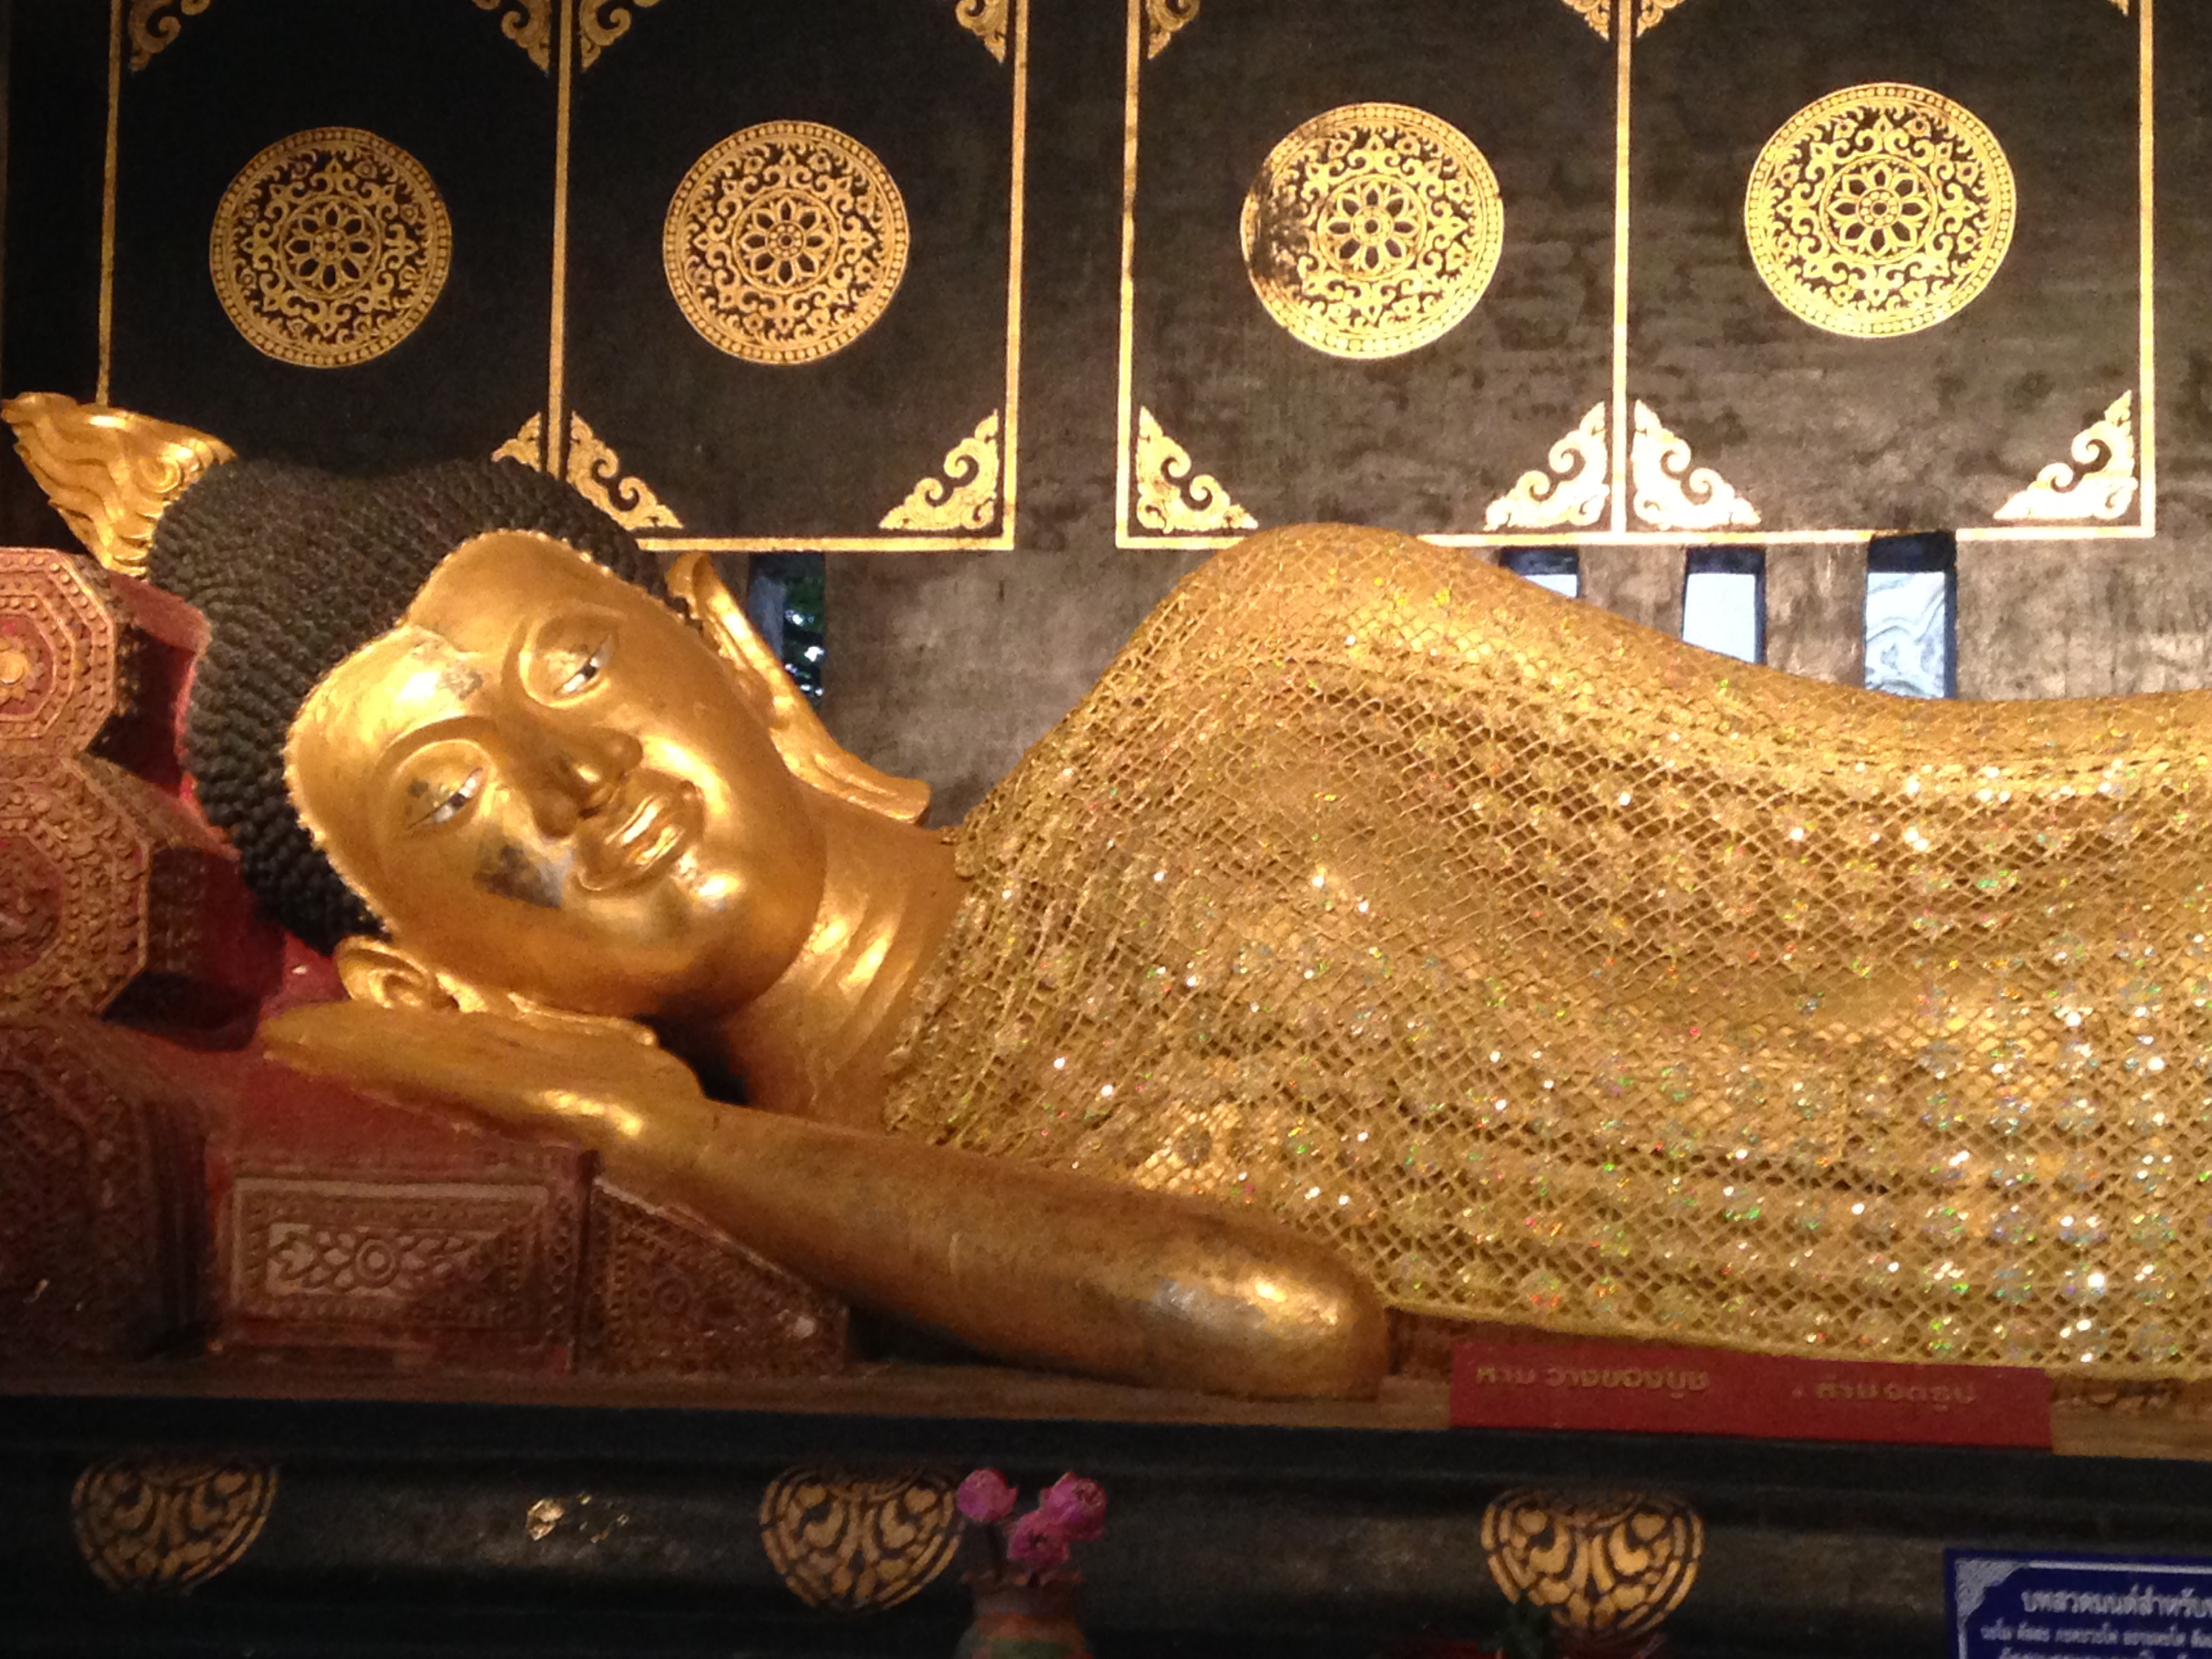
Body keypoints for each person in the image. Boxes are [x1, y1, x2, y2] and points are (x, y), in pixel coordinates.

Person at [13, 391, 2211, 1385]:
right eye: (448, 797)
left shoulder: (1275, 655)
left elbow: (1956, 816)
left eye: (578, 669)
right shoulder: (912, 1218)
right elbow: (1280, 1321)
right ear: (430, 969)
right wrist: (643, 1138)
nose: (573, 782)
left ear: (726, 653)